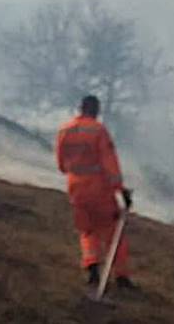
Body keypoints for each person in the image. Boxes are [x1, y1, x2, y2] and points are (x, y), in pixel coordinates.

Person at [55, 95, 137, 290]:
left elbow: (61, 165)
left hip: (76, 188)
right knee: (111, 231)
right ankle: (121, 277)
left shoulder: (64, 130)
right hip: (98, 189)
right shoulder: (99, 131)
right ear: (96, 110)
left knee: (87, 229)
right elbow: (110, 165)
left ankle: (92, 269)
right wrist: (121, 190)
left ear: (80, 107)